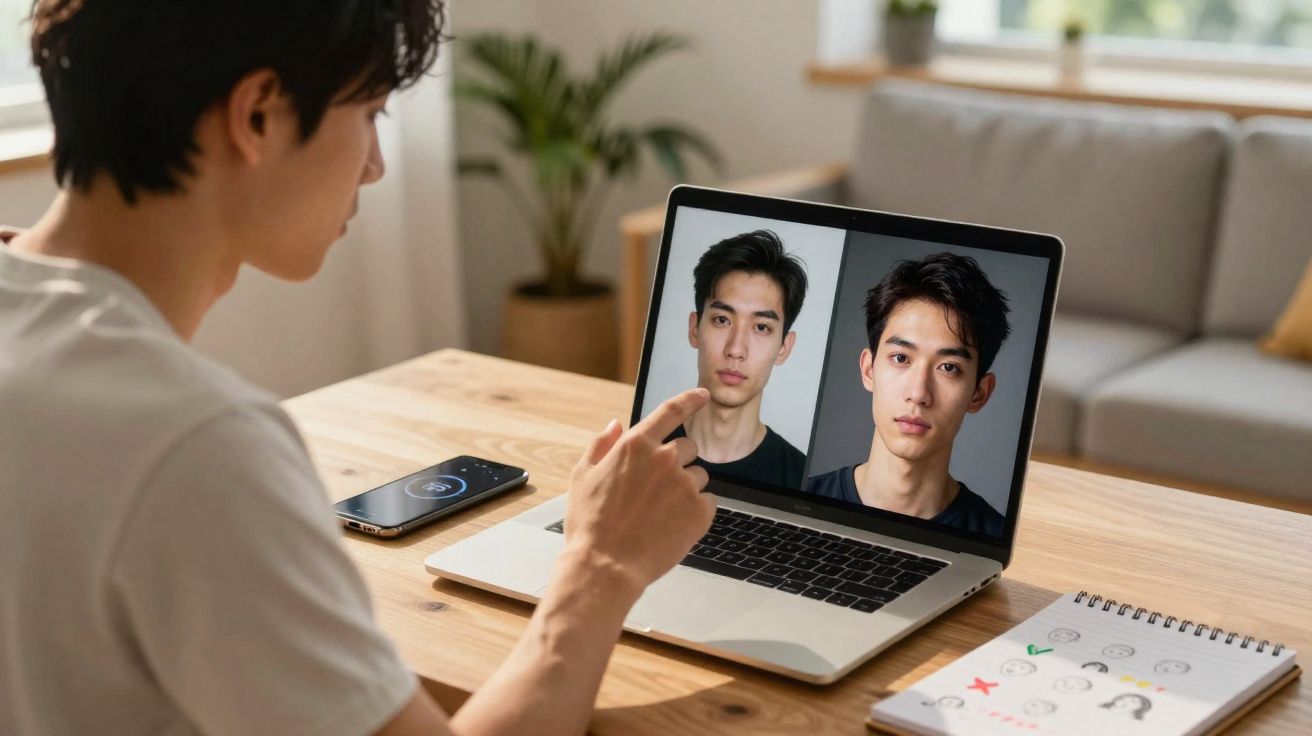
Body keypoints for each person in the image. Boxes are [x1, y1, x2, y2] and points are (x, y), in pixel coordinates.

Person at [0, 2, 716, 735]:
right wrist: (600, 567)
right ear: (257, 116)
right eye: (370, 112)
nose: (375, 167)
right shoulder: (194, 447)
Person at [805, 252, 1010, 536]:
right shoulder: (800, 498)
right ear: (868, 370)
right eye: (901, 358)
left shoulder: (990, 535)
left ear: (979, 394)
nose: (918, 393)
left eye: (948, 367)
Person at [666, 229, 809, 488]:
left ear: (784, 348)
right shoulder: (645, 451)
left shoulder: (802, 478)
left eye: (761, 327)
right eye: (722, 320)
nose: (736, 349)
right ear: (694, 329)